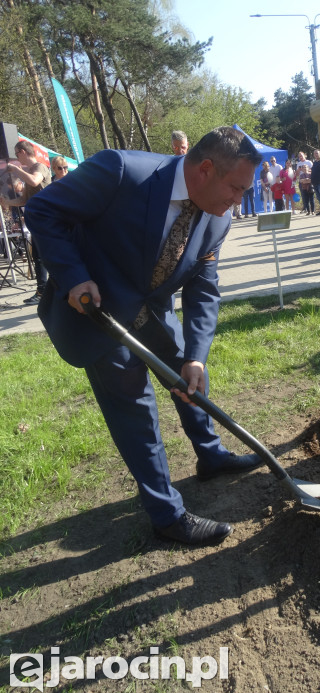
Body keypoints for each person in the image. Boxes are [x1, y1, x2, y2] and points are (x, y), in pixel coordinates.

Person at [25, 127, 264, 548]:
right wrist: (75, 278)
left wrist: (196, 356)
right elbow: (43, 211)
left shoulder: (217, 218)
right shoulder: (121, 172)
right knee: (136, 410)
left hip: (151, 312)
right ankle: (166, 514)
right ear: (206, 169)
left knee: (187, 378)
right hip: (98, 315)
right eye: (236, 187)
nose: (238, 200)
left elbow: (204, 287)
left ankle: (210, 454)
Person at [4, 140, 51, 304]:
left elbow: (34, 181)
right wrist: (6, 202)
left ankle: (46, 291)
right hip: (36, 220)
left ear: (23, 151)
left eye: (17, 154)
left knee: (45, 256)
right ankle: (43, 290)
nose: (17, 158)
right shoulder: (30, 171)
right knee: (39, 256)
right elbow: (24, 199)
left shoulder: (39, 167)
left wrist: (16, 169)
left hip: (46, 218)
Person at [311, 149, 320, 215]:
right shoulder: (315, 162)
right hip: (315, 183)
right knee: (319, 198)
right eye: (315, 153)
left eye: (317, 153)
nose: (316, 155)